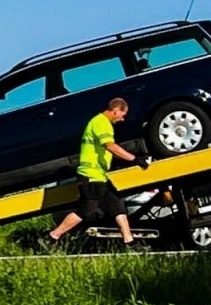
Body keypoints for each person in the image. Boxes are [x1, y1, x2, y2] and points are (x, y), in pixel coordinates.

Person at [50, 97, 150, 245]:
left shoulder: (100, 122)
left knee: (117, 206)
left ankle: (129, 241)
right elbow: (110, 146)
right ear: (115, 110)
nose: (123, 119)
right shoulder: (101, 122)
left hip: (100, 176)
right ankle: (53, 236)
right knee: (86, 210)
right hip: (90, 175)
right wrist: (134, 159)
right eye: (123, 115)